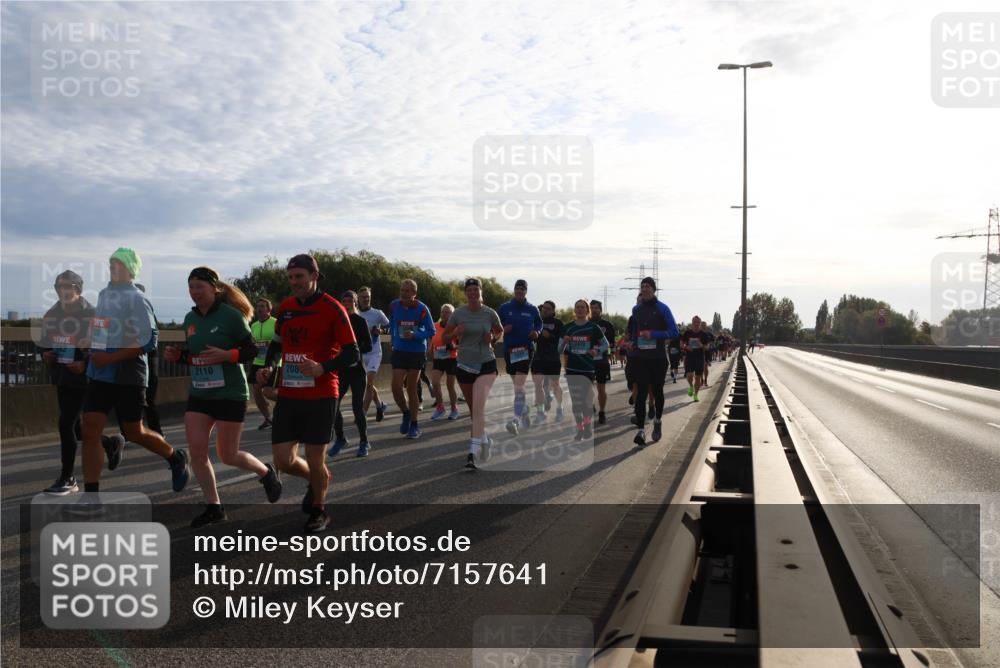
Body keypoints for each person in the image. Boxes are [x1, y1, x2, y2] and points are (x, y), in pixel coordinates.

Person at [165, 267, 282, 527]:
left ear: (214, 289)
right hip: (200, 393)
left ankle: (265, 472)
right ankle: (214, 506)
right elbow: (197, 356)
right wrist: (179, 356)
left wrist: (227, 356)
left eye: (199, 287)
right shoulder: (189, 319)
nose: (194, 292)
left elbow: (251, 350)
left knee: (228, 455)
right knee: (197, 452)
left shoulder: (231, 316)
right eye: (191, 287)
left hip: (230, 392)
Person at [258, 254, 359, 533]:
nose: (294, 283)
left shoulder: (333, 308)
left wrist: (322, 367)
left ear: (314, 276)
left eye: (299, 277)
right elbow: (276, 347)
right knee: (283, 460)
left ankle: (319, 510)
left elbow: (353, 353)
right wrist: (269, 369)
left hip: (322, 393)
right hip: (290, 394)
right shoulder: (287, 308)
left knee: (315, 456)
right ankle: (318, 480)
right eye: (290, 278)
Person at [79, 248, 190, 498]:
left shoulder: (137, 298)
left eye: (118, 264)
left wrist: (110, 357)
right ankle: (91, 496)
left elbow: (150, 340)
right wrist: (90, 344)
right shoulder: (104, 295)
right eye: (111, 264)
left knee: (134, 432)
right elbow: (101, 328)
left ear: (130, 270)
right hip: (100, 374)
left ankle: (175, 456)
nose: (112, 268)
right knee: (90, 429)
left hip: (129, 374)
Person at [38, 270, 124, 495]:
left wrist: (85, 364)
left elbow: (103, 345)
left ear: (78, 289)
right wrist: (45, 354)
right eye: (59, 287)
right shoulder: (51, 314)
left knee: (65, 424)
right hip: (63, 376)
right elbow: (43, 343)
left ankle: (68, 477)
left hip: (87, 377)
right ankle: (108, 443)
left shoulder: (94, 314)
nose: (64, 291)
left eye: (69, 287)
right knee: (77, 426)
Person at [443, 278, 504, 470]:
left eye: (475, 289)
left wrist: (493, 338)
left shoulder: (489, 313)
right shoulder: (459, 313)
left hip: (486, 363)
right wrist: (455, 333)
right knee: (474, 411)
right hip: (464, 365)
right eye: (469, 290)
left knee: (478, 408)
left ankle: (472, 453)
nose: (472, 292)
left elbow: (499, 331)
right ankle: (485, 440)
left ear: (480, 291)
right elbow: (444, 336)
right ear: (465, 293)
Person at [628, 277, 678, 447]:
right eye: (642, 286)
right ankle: (641, 430)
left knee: (657, 391)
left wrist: (654, 334)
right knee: (641, 393)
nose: (645, 288)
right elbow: (635, 331)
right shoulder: (636, 309)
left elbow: (674, 332)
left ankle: (657, 421)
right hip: (641, 358)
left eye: (648, 286)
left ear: (654, 289)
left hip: (658, 358)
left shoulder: (662, 308)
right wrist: (633, 343)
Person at [387, 279, 436, 440]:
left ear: (414, 293)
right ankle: (406, 413)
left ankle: (414, 425)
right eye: (402, 290)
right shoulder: (395, 305)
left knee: (411, 388)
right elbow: (393, 323)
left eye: (408, 291)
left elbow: (431, 331)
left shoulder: (422, 309)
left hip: (416, 351)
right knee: (395, 387)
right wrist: (393, 339)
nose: (404, 293)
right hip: (400, 350)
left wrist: (415, 335)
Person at [328, 291, 374, 458]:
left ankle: (364, 441)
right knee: (334, 405)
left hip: (356, 371)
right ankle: (341, 438)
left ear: (356, 303)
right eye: (344, 300)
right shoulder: (337, 321)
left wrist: (352, 350)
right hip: (340, 370)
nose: (346, 303)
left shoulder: (360, 321)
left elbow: (368, 346)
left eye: (350, 301)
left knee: (357, 407)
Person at [497, 279, 542, 435]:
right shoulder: (504, 308)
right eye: (517, 288)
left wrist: (537, 332)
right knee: (517, 387)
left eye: (522, 289)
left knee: (519, 386)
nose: (520, 291)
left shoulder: (532, 309)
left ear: (526, 292)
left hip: (525, 350)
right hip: (509, 351)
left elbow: (539, 324)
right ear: (514, 290)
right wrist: (503, 329)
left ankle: (515, 420)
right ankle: (523, 410)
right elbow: (495, 327)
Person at [559, 300, 609, 441]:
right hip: (572, 369)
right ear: (574, 310)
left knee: (586, 401)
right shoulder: (567, 328)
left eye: (582, 307)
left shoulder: (593, 327)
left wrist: (596, 350)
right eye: (577, 307)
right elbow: (559, 350)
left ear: (587, 311)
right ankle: (580, 429)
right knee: (576, 402)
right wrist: (564, 342)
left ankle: (587, 426)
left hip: (587, 368)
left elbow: (605, 344)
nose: (580, 310)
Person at [356, 287, 389, 421]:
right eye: (363, 297)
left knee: (368, 382)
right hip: (361, 354)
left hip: (375, 353)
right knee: (367, 384)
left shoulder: (377, 313)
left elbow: (389, 327)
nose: (366, 299)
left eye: (368, 296)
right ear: (358, 298)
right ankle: (380, 405)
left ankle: (362, 413)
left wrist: (380, 332)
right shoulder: (355, 314)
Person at [530, 300, 564, 424]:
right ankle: (541, 413)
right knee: (538, 385)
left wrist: (550, 336)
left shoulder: (558, 323)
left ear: (553, 311)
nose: (545, 310)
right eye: (544, 308)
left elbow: (562, 342)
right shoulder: (536, 322)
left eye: (548, 308)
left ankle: (560, 409)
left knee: (555, 385)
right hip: (538, 358)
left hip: (553, 359)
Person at [249, 298, 278, 430]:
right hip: (258, 361)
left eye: (262, 306)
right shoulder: (253, 325)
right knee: (256, 390)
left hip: (273, 361)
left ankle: (290, 402)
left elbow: (280, 344)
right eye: (258, 306)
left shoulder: (275, 323)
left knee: (268, 392)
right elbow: (252, 344)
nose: (259, 308)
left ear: (269, 309)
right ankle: (268, 417)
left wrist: (274, 361)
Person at [429, 303, 460, 421]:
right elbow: (432, 339)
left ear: (452, 315)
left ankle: (454, 409)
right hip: (438, 358)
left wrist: (453, 346)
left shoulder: (455, 327)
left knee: (450, 385)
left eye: (448, 312)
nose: (445, 314)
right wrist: (430, 349)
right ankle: (440, 408)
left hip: (451, 359)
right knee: (435, 382)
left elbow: (461, 343)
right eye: (443, 312)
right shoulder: (435, 326)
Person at [588, 300, 616, 425]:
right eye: (592, 307)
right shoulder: (585, 323)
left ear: (600, 310)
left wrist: (603, 352)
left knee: (601, 388)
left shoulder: (607, 325)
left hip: (601, 360)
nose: (594, 310)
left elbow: (610, 344)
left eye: (596, 308)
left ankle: (602, 412)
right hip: (587, 360)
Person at [681, 316, 713, 403]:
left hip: (699, 357)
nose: (696, 324)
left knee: (698, 378)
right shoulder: (687, 333)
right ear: (692, 322)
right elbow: (682, 344)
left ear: (700, 323)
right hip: (690, 357)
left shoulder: (704, 334)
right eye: (694, 322)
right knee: (689, 376)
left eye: (698, 322)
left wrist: (701, 345)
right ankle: (691, 386)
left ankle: (696, 395)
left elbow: (707, 347)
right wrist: (686, 347)